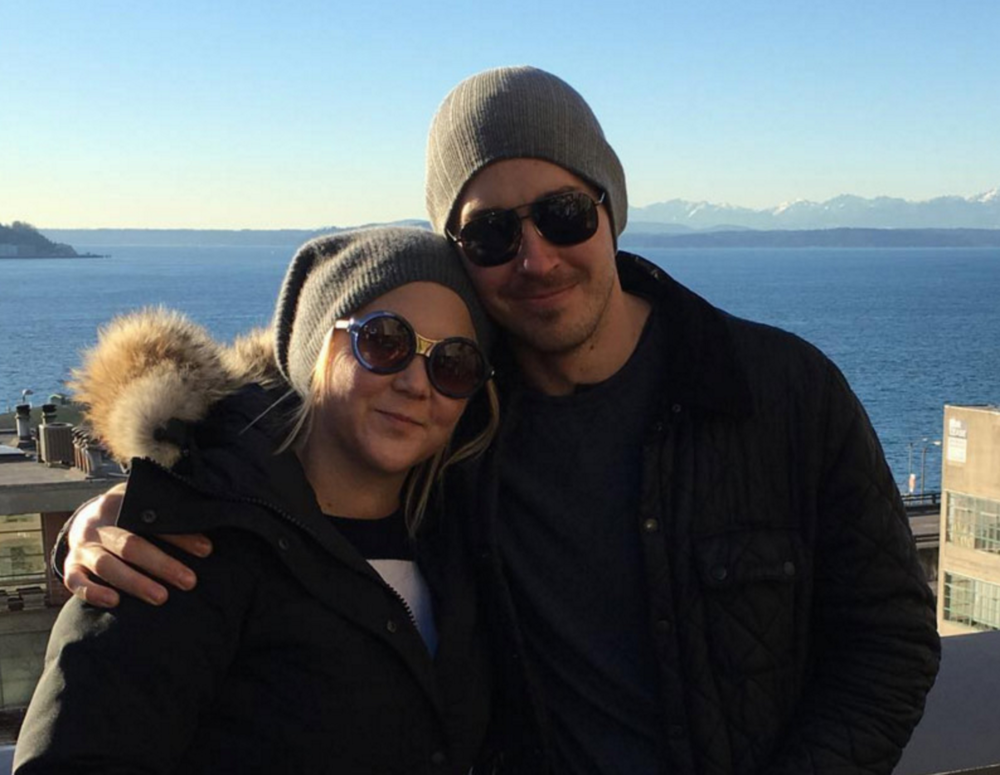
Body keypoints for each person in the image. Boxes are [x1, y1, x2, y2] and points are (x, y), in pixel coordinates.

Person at [56, 67, 940, 775]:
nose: (536, 258)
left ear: (611, 212)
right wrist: (125, 507)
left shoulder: (778, 391)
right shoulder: (460, 412)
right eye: (489, 236)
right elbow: (296, 441)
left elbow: (890, 641)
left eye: (564, 215)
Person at [14, 227, 498, 774]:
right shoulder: (184, 544)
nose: (416, 383)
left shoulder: (463, 540)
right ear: (317, 347)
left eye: (453, 363)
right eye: (385, 342)